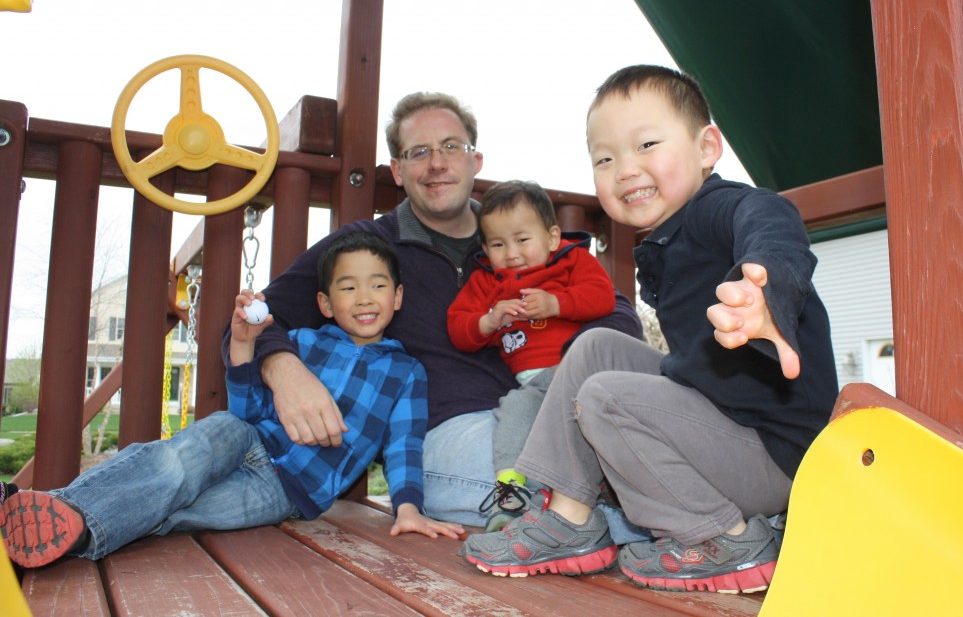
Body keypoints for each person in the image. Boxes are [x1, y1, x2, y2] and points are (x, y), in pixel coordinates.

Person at [460, 65, 839, 593]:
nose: (624, 169)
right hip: (723, 426)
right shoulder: (665, 239)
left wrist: (766, 289)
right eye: (605, 158)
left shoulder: (717, 209)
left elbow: (769, 216)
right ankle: (571, 520)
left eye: (646, 145)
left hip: (774, 456)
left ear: (707, 148)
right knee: (594, 348)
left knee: (607, 397)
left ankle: (725, 539)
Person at [231, 92, 644, 529]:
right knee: (566, 498)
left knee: (632, 456)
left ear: (475, 160)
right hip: (449, 432)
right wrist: (284, 371)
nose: (437, 164)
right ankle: (622, 524)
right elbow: (261, 315)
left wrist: (566, 367)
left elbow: (618, 318)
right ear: (398, 170)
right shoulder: (367, 249)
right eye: (419, 152)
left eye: (451, 147)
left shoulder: (518, 239)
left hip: (547, 409)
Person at [0, 231, 462, 569]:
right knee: (174, 465)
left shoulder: (405, 373)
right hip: (243, 437)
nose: (365, 297)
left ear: (397, 296)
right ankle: (56, 510)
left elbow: (404, 445)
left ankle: (72, 528)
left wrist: (407, 508)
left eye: (378, 285)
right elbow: (248, 410)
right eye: (348, 287)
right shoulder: (301, 343)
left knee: (183, 510)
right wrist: (243, 346)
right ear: (325, 303)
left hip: (287, 491)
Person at [447, 180, 615, 530]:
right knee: (513, 411)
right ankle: (509, 491)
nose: (511, 253)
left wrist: (557, 303)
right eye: (497, 244)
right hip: (534, 387)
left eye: (523, 240)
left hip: (572, 371)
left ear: (552, 237)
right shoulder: (485, 282)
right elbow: (458, 328)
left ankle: (608, 489)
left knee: (590, 423)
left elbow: (602, 297)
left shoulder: (571, 262)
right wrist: (490, 320)